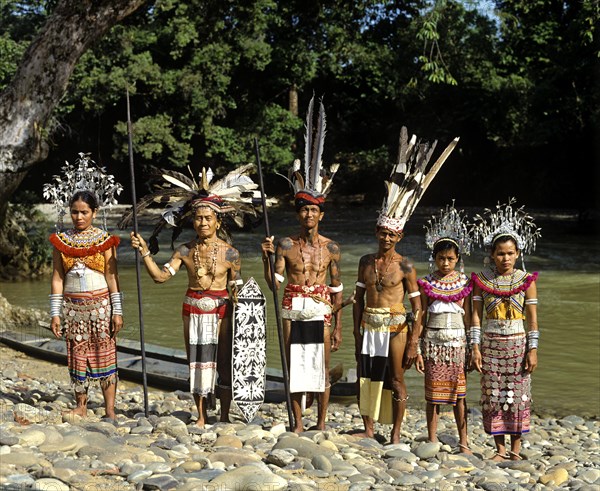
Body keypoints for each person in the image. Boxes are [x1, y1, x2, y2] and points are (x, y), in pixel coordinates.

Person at [126, 165, 260, 428]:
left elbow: (237, 290)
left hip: (222, 311)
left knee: (223, 361)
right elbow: (160, 277)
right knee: (196, 362)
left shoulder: (231, 254)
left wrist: (246, 315)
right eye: (198, 218)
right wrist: (144, 252)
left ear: (218, 222)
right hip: (192, 309)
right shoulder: (185, 251)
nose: (203, 223)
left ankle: (222, 415)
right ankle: (201, 415)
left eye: (208, 218)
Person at [352, 127, 459, 443]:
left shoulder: (406, 265)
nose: (386, 238)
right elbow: (358, 298)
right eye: (382, 232)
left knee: (396, 379)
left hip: (397, 327)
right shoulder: (365, 262)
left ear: (399, 237)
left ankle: (397, 434)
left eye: (391, 234)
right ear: (377, 232)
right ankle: (370, 429)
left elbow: (418, 307)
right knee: (368, 377)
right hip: (370, 325)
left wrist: (414, 341)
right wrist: (355, 327)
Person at [261, 96, 343, 433]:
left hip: (321, 305)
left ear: (321, 214)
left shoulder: (332, 248)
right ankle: (297, 422)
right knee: (296, 366)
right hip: (292, 303)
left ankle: (321, 422)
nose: (308, 215)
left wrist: (337, 325)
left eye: (313, 210)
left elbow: (338, 290)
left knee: (321, 366)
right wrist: (266, 258)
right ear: (298, 214)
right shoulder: (285, 245)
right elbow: (273, 284)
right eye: (303, 210)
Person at [470, 199, 541, 461]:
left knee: (519, 394)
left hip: (518, 345)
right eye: (500, 253)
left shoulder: (527, 281)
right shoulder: (481, 280)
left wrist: (533, 350)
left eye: (510, 253)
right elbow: (475, 318)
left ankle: (516, 449)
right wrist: (475, 348)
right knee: (493, 394)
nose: (505, 258)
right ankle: (499, 449)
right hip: (490, 345)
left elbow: (532, 320)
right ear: (492, 254)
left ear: (518, 253)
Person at [49, 190, 123, 421]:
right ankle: (81, 405)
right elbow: (58, 278)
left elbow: (112, 277)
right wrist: (55, 313)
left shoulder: (104, 240)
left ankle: (109, 410)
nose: (79, 217)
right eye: (74, 212)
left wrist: (117, 311)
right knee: (77, 356)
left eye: (84, 212)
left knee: (105, 354)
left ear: (94, 212)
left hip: (101, 307)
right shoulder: (61, 241)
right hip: (73, 309)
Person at [415, 204, 473, 453]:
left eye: (450, 259)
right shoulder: (426, 283)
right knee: (432, 396)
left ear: (457, 259)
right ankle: (432, 438)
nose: (446, 263)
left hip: (458, 345)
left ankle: (464, 440)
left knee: (459, 395)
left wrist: (473, 348)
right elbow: (420, 317)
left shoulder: (466, 283)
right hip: (433, 345)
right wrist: (417, 349)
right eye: (441, 258)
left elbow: (470, 318)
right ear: (434, 258)